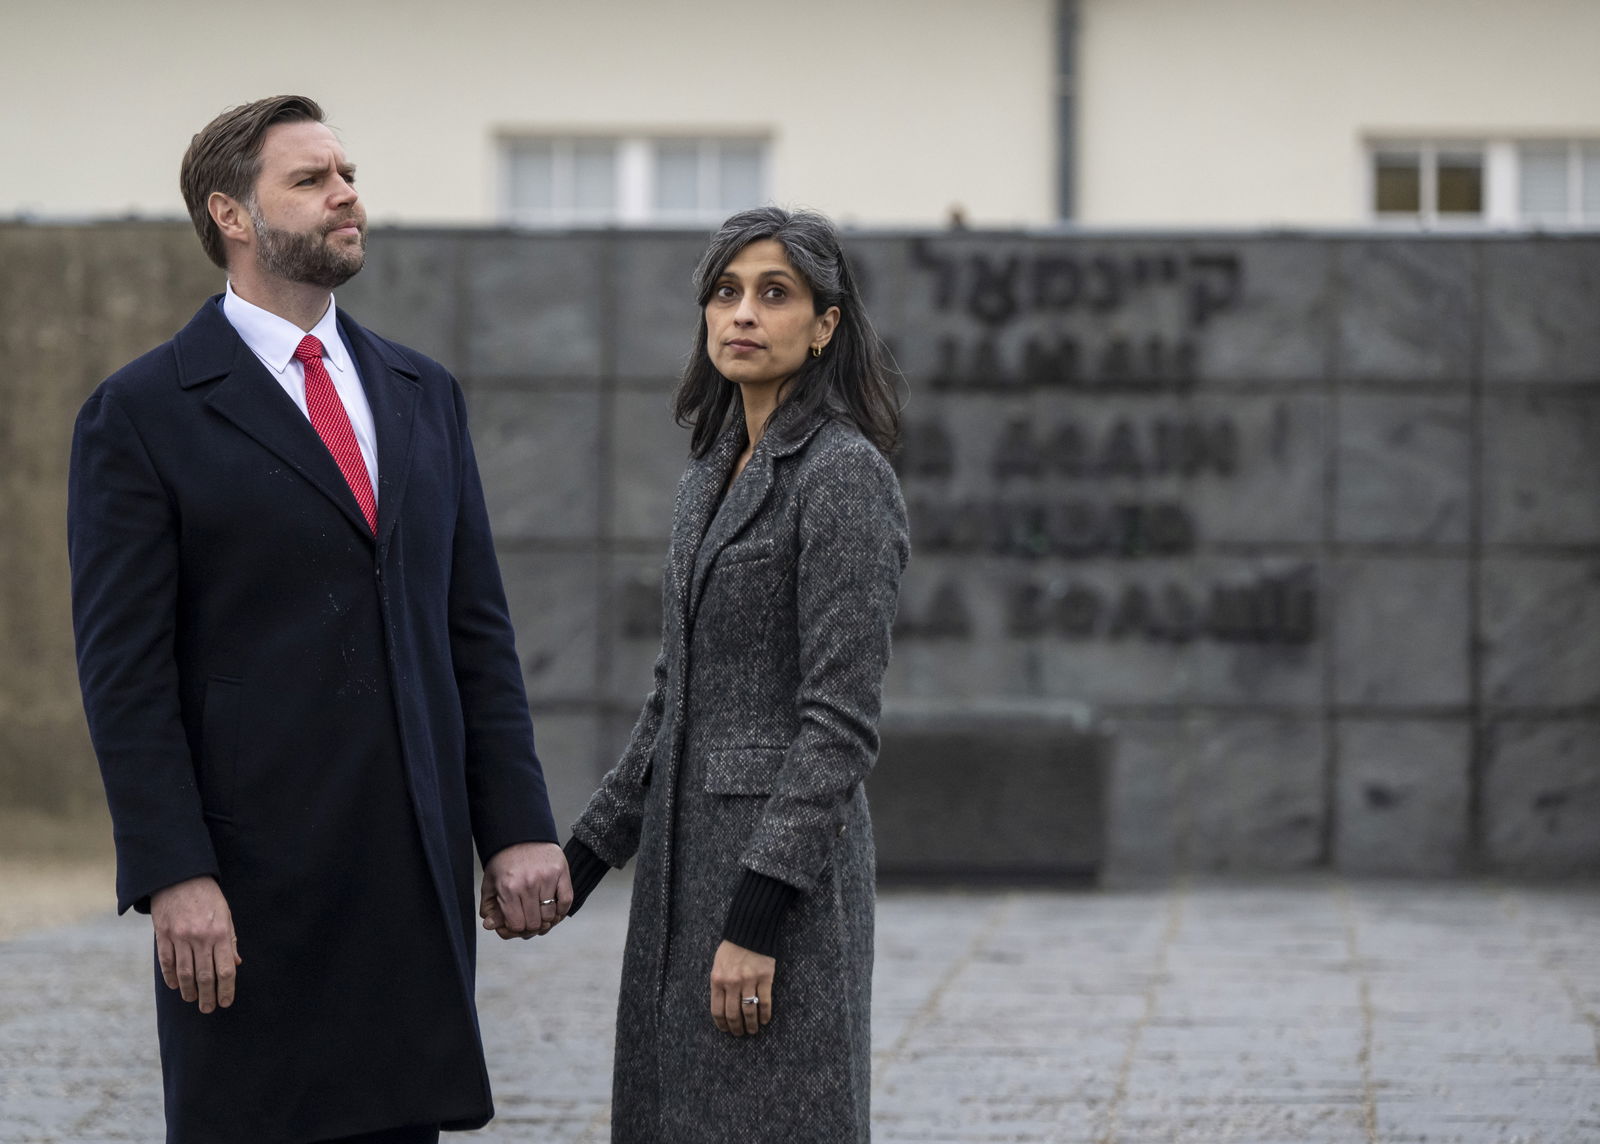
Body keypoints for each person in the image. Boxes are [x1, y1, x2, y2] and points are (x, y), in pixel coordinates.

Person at [66, 95, 571, 1144]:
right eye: (310, 180)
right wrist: (173, 871)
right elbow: (124, 674)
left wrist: (517, 824)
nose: (346, 195)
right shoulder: (142, 413)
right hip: (253, 888)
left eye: (347, 174)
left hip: (409, 875)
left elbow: (474, 629)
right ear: (232, 215)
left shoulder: (423, 392)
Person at [548, 207, 909, 1142]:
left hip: (778, 895)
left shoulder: (843, 476)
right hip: (678, 879)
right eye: (725, 291)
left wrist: (756, 917)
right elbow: (675, 697)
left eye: (773, 293)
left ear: (824, 326)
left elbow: (839, 724)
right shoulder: (707, 477)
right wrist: (580, 863)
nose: (742, 313)